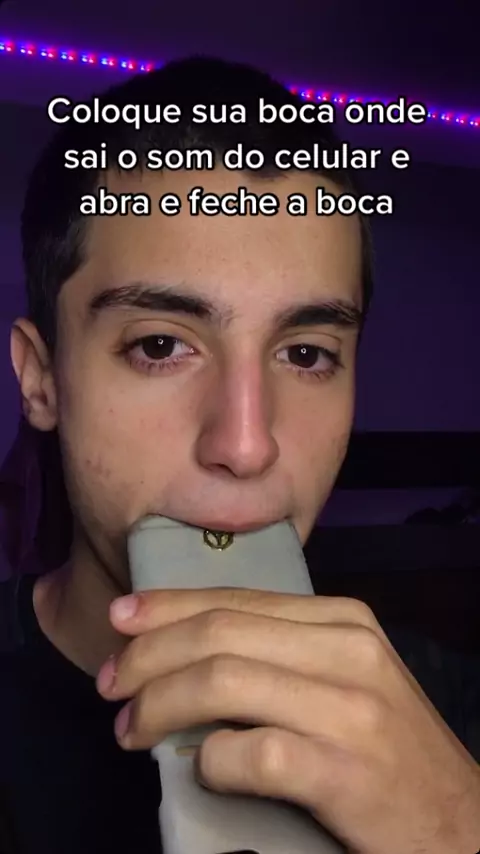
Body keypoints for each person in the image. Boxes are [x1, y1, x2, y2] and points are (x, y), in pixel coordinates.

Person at [0, 56, 479, 854]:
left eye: (306, 354)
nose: (247, 446)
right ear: (41, 380)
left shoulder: (450, 721)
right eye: (160, 345)